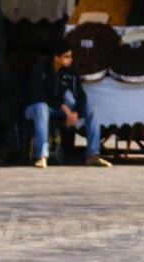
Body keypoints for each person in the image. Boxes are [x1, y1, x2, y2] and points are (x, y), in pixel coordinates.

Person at [24, 40, 110, 168]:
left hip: (62, 109)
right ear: (56, 57)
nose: (70, 59)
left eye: (71, 56)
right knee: (41, 107)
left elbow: (80, 94)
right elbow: (39, 96)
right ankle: (42, 156)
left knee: (92, 109)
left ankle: (93, 155)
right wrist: (64, 108)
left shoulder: (70, 71)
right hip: (35, 109)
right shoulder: (39, 69)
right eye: (66, 57)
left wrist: (76, 112)